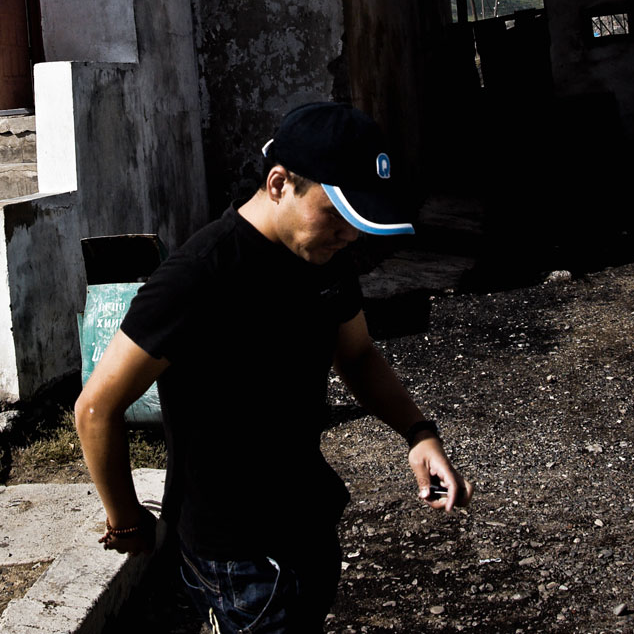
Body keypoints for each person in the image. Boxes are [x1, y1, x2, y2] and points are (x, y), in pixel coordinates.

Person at [74, 101, 472, 633]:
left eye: (359, 222)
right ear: (280, 183)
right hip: (239, 558)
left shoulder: (325, 261)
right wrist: (126, 522)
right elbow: (96, 407)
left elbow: (355, 354)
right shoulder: (198, 276)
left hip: (307, 524)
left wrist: (419, 434)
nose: (349, 236)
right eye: (336, 215)